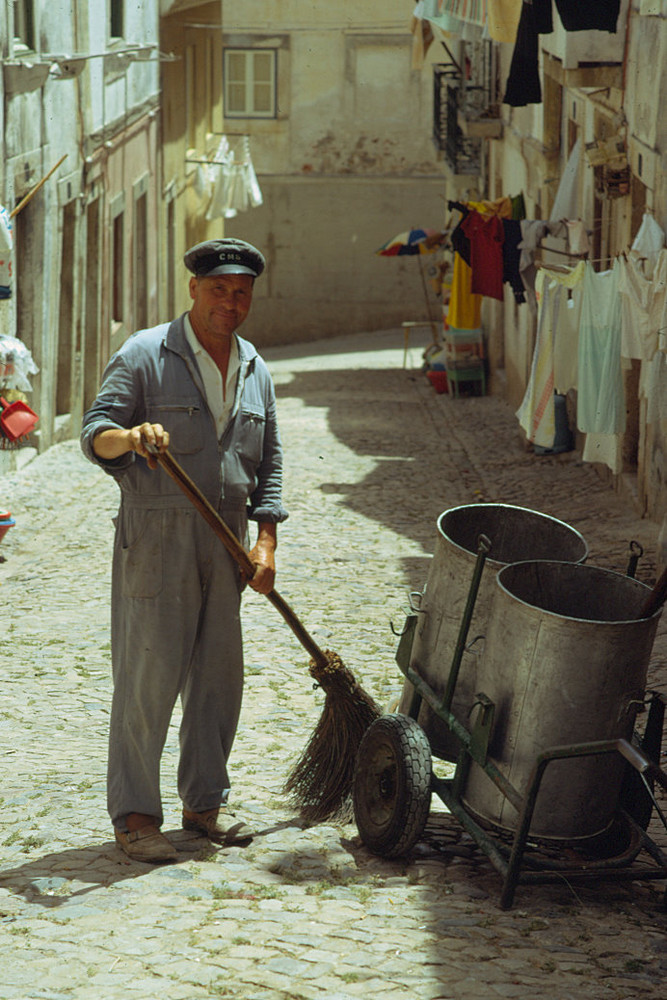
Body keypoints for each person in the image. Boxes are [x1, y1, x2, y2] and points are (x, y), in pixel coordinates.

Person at [80, 238, 288, 863]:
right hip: (158, 536)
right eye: (218, 288)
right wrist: (131, 436)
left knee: (219, 684)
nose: (230, 301)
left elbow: (269, 466)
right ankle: (137, 816)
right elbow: (94, 434)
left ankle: (204, 807)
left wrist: (266, 541)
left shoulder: (255, 366)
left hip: (226, 542)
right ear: (193, 289)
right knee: (149, 677)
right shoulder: (145, 354)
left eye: (241, 290)